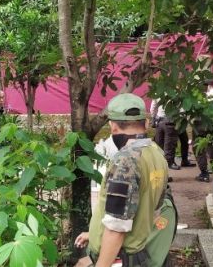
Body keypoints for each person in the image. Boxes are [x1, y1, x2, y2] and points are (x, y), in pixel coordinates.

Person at [73, 93, 174, 267]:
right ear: (147, 124)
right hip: (136, 255)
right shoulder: (157, 154)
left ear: (113, 127)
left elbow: (116, 228)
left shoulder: (126, 161)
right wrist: (94, 233)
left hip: (119, 259)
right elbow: (150, 208)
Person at [150, 99, 182, 170]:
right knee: (169, 144)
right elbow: (181, 108)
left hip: (159, 121)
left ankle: (159, 164)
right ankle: (169, 163)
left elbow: (153, 107)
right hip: (170, 121)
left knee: (159, 145)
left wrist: (153, 117)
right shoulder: (175, 92)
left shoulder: (157, 91)